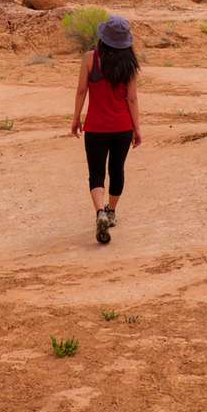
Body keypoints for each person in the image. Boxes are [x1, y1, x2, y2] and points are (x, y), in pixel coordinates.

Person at [69, 14, 142, 244]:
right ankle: (111, 212)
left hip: (96, 127)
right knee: (117, 170)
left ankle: (100, 211)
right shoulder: (130, 64)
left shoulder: (90, 58)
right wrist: (137, 128)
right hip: (122, 127)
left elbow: (81, 90)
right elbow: (132, 99)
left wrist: (76, 118)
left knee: (97, 173)